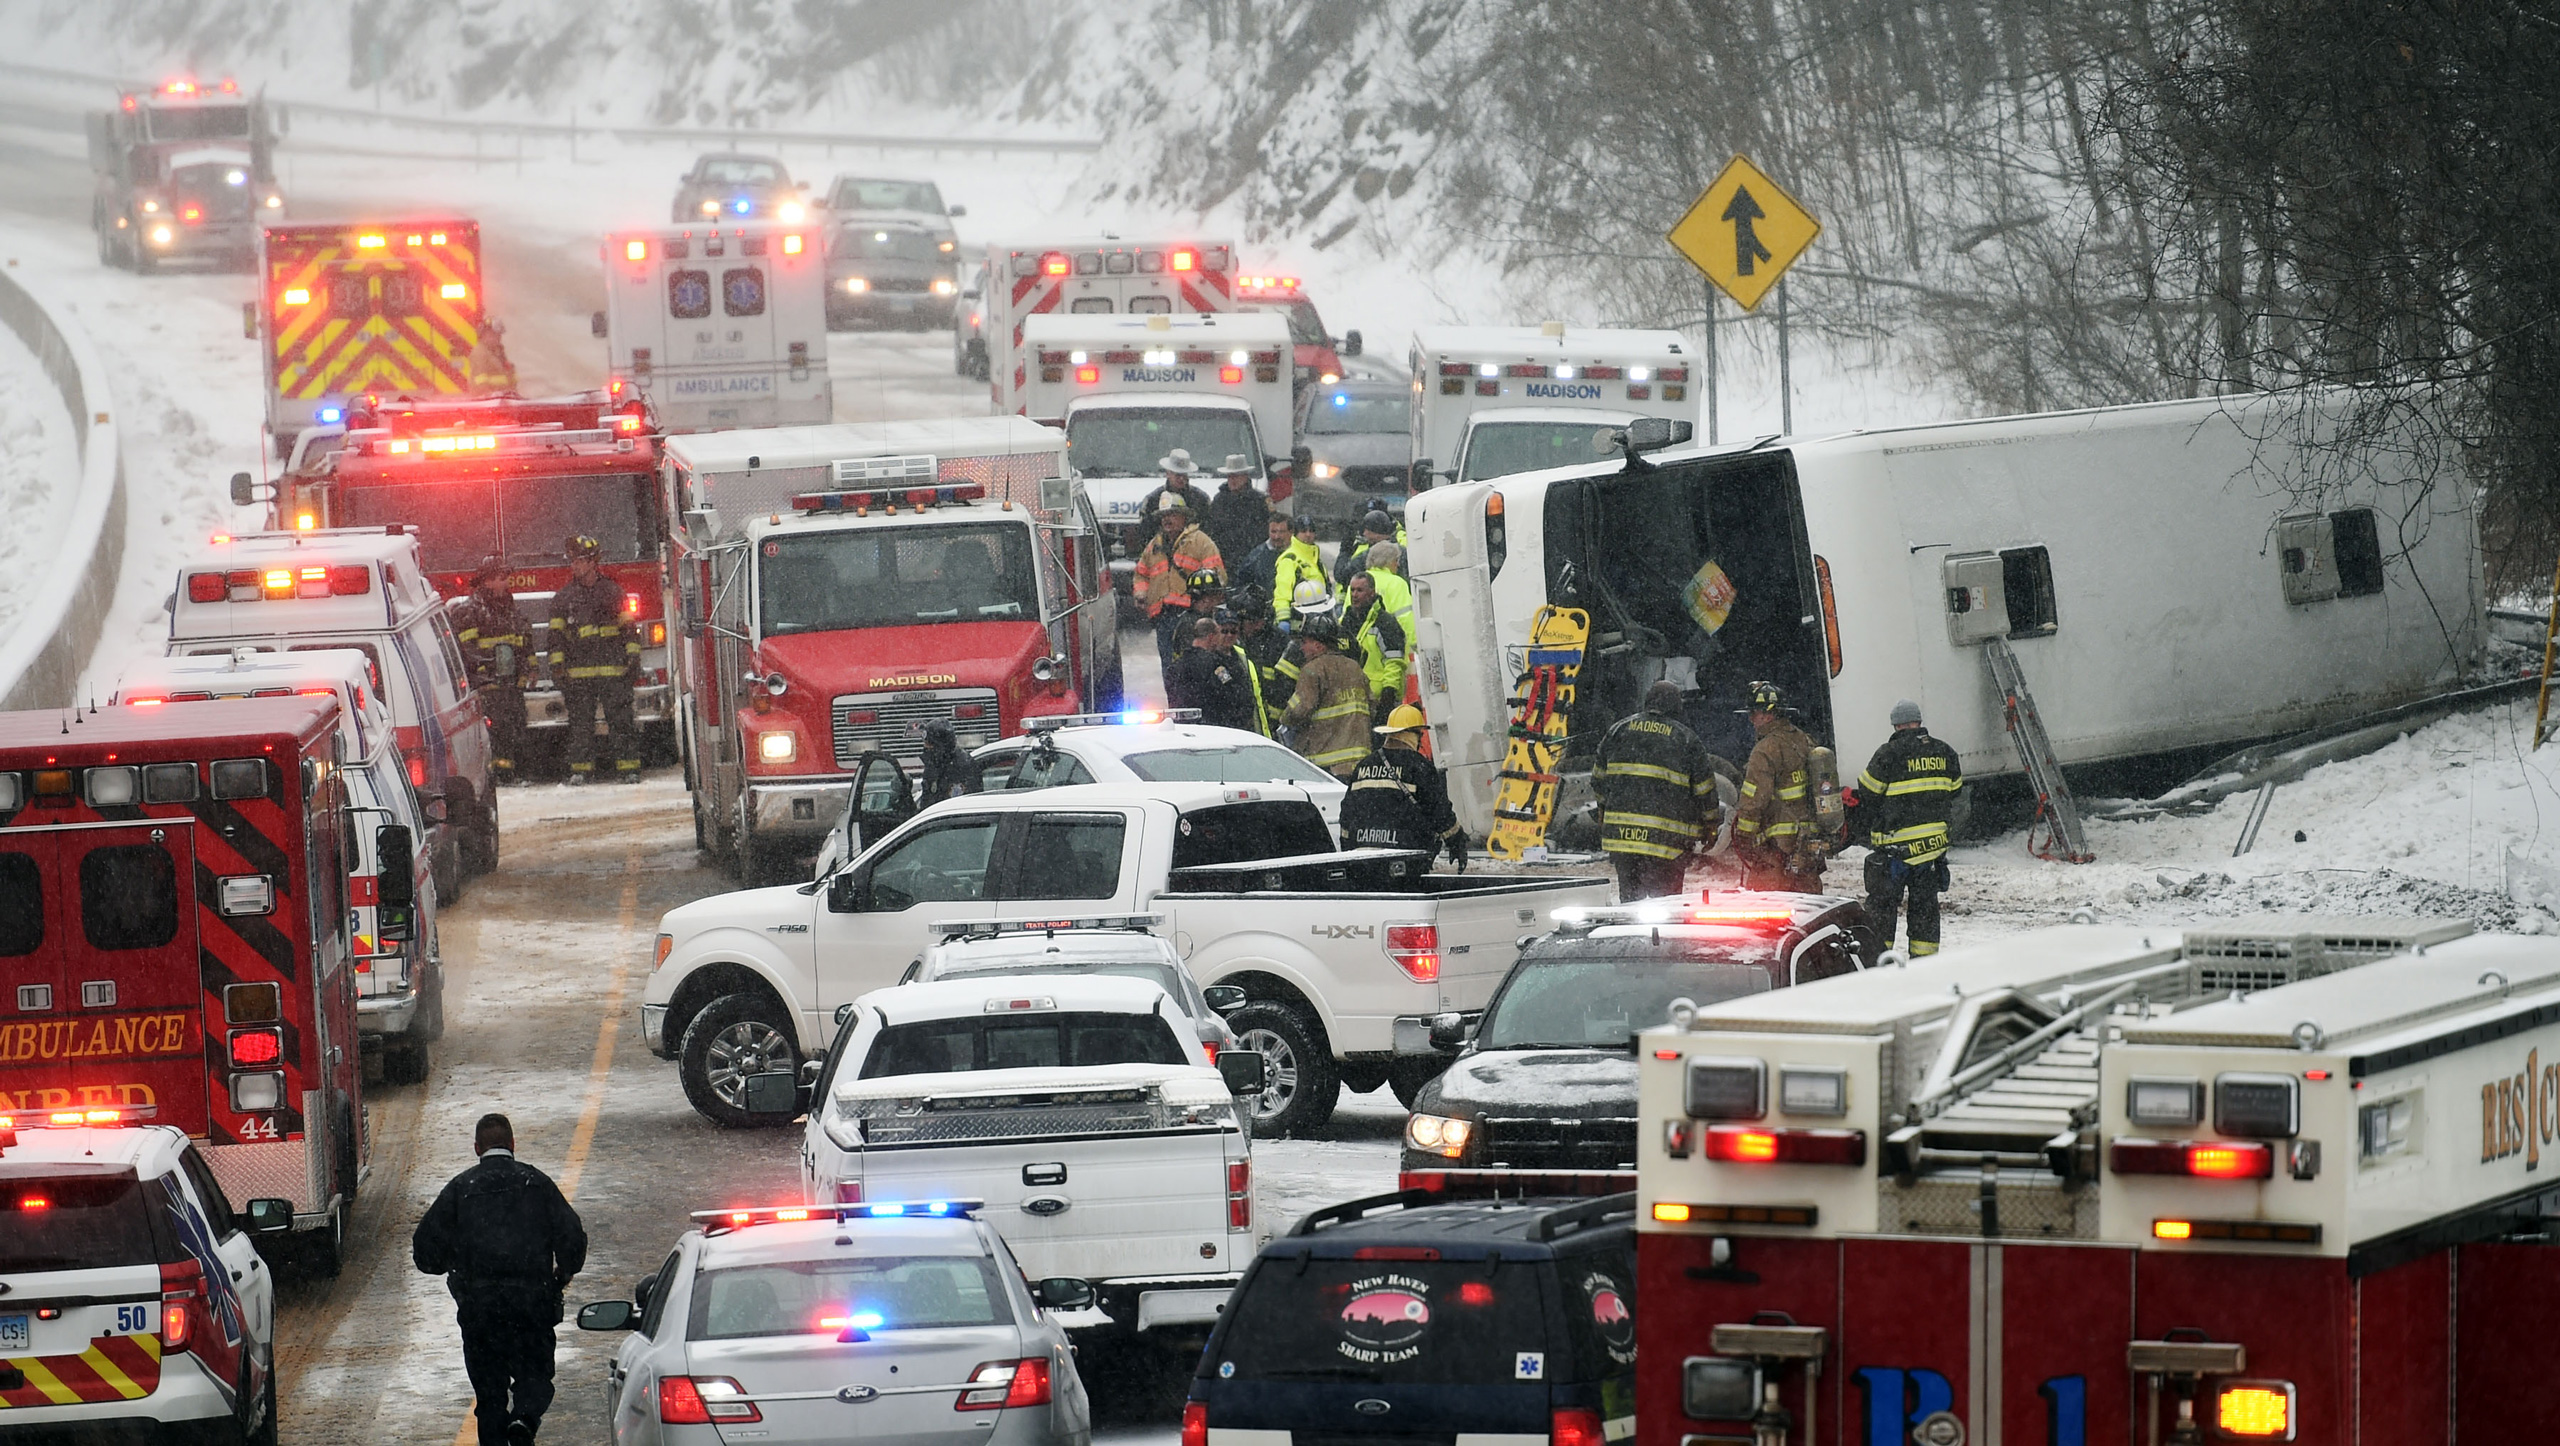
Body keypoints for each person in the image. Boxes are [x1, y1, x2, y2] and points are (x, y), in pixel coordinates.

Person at [413, 1113, 587, 1446]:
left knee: (490, 1396)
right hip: (532, 1306)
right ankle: (524, 1418)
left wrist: (455, 1267)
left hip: (480, 1312)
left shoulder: (461, 1188)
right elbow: (572, 1237)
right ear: (512, 1144)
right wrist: (562, 1274)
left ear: (477, 1147)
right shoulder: (536, 1184)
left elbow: (424, 1250)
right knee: (534, 1375)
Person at [1849, 698, 1964, 956]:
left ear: (1896, 725)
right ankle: (1924, 961)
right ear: (1919, 722)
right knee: (1925, 909)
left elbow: (1868, 792)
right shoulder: (1945, 752)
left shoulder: (1888, 754)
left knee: (1882, 909)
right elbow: (1955, 790)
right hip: (1931, 852)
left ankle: (1879, 960)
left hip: (1895, 851)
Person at [1593, 680, 1727, 901]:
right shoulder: (1685, 739)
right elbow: (1705, 790)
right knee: (1666, 907)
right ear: (1676, 706)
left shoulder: (1618, 730)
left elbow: (1598, 780)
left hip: (1623, 842)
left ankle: (1630, 935)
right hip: (1667, 843)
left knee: (1630, 904)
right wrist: (1710, 825)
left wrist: (1604, 812)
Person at [547, 535, 641, 784]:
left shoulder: (613, 592)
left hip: (614, 672)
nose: (574, 566)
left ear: (592, 562)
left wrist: (633, 657)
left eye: (579, 561)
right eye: (573, 561)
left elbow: (629, 630)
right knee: (580, 725)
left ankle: (629, 768)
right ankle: (581, 770)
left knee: (621, 722)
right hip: (578, 676)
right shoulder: (564, 599)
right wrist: (557, 667)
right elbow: (555, 638)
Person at [1339, 704, 1466, 866]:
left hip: (1362, 855)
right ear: (1411, 734)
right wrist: (1456, 841)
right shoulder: (1419, 766)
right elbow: (1439, 811)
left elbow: (1347, 812)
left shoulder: (1364, 765)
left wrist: (1347, 849)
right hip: (1405, 855)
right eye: (1419, 734)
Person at [1733, 680, 1826, 892]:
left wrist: (1744, 837)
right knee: (1807, 905)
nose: (1750, 719)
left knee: (1767, 907)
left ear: (1768, 714)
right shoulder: (1804, 740)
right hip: (1807, 843)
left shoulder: (1765, 750)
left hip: (1776, 847)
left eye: (1754, 713)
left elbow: (1755, 800)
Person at [452, 558, 531, 786]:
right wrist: (485, 677)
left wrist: (527, 670)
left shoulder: (508, 607)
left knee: (514, 729)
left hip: (511, 685)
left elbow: (522, 642)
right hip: (489, 687)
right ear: (487, 581)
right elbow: (468, 651)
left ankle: (511, 772)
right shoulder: (470, 611)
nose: (507, 583)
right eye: (501, 578)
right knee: (495, 733)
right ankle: (499, 776)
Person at [1132, 495, 1223, 673]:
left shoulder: (1200, 542)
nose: (1167, 519)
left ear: (1184, 517)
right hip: (1163, 617)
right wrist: (1140, 594)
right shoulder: (1154, 546)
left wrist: (1205, 602)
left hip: (1192, 616)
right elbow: (1141, 574)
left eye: (1172, 514)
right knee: (1170, 668)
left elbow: (1216, 575)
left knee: (1194, 665)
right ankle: (1175, 700)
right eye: (1163, 515)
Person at [1281, 616, 1376, 778]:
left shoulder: (1312, 670)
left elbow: (1301, 709)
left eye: (1305, 642)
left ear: (1318, 645)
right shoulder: (1354, 668)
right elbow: (1372, 707)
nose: (1302, 648)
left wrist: (1284, 719)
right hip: (1360, 762)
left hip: (1326, 764)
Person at [1166, 616, 1260, 733]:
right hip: (1212, 728)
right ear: (1211, 636)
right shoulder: (1216, 665)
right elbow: (1232, 692)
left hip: (1184, 729)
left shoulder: (1176, 666)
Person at [1340, 570, 1409, 723]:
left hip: (1379, 700)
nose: (1354, 595)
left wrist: (1388, 695)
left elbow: (1394, 663)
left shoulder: (1386, 623)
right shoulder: (1345, 622)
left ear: (1372, 593)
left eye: (1360, 590)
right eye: (1352, 590)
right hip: (1353, 699)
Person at [1229, 585, 1296, 729]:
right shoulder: (1233, 644)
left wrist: (1275, 719)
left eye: (1260, 621)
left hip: (1273, 720)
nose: (1259, 626)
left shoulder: (1278, 641)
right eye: (1252, 622)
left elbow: (1285, 687)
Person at [1202, 454, 1272, 568]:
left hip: (1252, 560)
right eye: (1229, 476)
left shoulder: (1259, 501)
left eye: (1236, 476)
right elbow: (1211, 529)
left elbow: (1265, 532)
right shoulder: (1219, 501)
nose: (1232, 480)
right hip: (1225, 560)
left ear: (1245, 476)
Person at [1270, 514, 1330, 625]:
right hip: (1298, 622)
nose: (1308, 535)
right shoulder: (1290, 559)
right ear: (1295, 533)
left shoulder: (1316, 559)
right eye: (1303, 531)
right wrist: (1283, 620)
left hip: (1318, 619)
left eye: (1311, 531)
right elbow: (1282, 592)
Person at [1137, 450, 1210, 537]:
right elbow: (1145, 533)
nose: (1181, 479)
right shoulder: (1153, 500)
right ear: (1168, 473)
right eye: (1177, 475)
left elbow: (1208, 531)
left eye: (1184, 475)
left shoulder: (1201, 500)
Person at [1233, 512, 1292, 603]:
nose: (1277, 536)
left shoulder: (1300, 554)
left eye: (1281, 532)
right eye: (1273, 532)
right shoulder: (1255, 557)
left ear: (1291, 532)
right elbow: (1241, 585)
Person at [1334, 507, 1400, 584]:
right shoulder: (1401, 552)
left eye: (1367, 530)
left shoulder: (1369, 555)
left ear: (1376, 532)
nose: (1364, 533)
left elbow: (1342, 576)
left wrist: (1345, 550)